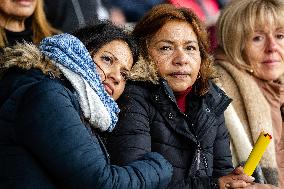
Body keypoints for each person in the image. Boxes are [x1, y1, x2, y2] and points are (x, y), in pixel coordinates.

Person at [0, 21, 172, 189]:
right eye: (107, 59)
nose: (116, 77)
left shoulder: (75, 104)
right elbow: (101, 183)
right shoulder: (48, 94)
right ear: (78, 52)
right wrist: (159, 167)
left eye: (124, 74)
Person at [106, 4, 254, 189]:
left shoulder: (210, 98)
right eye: (166, 48)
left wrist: (234, 181)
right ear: (143, 53)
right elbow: (137, 183)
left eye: (190, 48)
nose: (181, 59)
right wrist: (214, 185)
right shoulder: (133, 97)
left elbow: (221, 172)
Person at [214, 0, 284, 188]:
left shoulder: (278, 87)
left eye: (280, 36)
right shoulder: (218, 92)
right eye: (257, 38)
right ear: (235, 43)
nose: (272, 47)